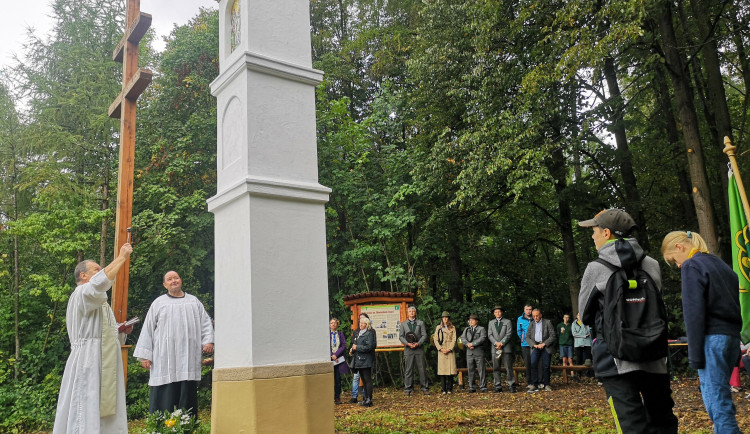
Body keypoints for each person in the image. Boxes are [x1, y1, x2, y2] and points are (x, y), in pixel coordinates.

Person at [579, 209, 678, 433]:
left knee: (631, 424)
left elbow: (584, 315)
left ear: (606, 233)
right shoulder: (652, 264)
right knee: (662, 420)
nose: (592, 236)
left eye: (594, 231)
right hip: (654, 355)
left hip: (615, 359)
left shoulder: (596, 268)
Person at [662, 230, 742, 433]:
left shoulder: (692, 265)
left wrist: (695, 355)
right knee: (721, 397)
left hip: (711, 339)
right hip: (731, 338)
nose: (677, 265)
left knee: (717, 403)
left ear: (679, 247)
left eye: (673, 260)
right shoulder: (721, 265)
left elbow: (693, 313)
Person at [53, 243, 134, 434]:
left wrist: (121, 330)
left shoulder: (96, 299)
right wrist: (121, 257)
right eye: (96, 270)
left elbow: (103, 331)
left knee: (103, 407)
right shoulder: (82, 292)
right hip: (89, 359)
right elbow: (100, 282)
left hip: (103, 357)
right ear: (83, 275)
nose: (101, 272)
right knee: (87, 403)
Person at [133, 270, 214, 416]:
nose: (173, 281)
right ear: (165, 285)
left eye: (176, 278)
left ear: (180, 280)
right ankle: (161, 428)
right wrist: (145, 356)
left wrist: (208, 340)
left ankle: (187, 427)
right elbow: (148, 329)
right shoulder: (158, 303)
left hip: (187, 358)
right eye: (169, 279)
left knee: (187, 397)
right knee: (165, 397)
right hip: (164, 359)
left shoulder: (193, 301)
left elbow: (205, 323)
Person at [398, 305, 429, 395]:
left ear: (415, 313)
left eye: (413, 311)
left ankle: (424, 387)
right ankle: (408, 388)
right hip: (408, 349)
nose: (412, 313)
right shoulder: (403, 324)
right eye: (410, 311)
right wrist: (407, 344)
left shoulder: (421, 323)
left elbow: (424, 335)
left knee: (422, 369)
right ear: (408, 313)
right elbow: (400, 336)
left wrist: (418, 343)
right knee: (408, 369)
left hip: (419, 349)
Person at [525, 309, 556, 392]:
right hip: (536, 346)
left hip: (545, 346)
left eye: (537, 315)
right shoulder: (531, 324)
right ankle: (534, 385)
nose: (535, 317)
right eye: (534, 316)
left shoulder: (547, 322)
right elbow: (527, 337)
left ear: (540, 315)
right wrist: (534, 345)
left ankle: (547, 384)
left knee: (546, 365)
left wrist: (544, 343)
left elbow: (553, 336)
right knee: (533, 363)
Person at [349, 317, 377, 407]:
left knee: (367, 380)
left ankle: (369, 399)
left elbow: (369, 347)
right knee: (363, 380)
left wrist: (357, 347)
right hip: (359, 360)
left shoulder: (368, 334)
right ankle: (365, 399)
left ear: (366, 325)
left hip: (366, 360)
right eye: (360, 323)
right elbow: (355, 345)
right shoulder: (358, 334)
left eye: (363, 323)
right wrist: (352, 349)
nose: (361, 324)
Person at [488, 306, 516, 393]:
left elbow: (509, 334)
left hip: (506, 348)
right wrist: (496, 343)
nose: (498, 313)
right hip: (495, 348)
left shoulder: (507, 322)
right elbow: (489, 335)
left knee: (508, 367)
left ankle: (511, 385)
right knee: (496, 368)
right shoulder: (491, 322)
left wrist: (502, 343)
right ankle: (498, 386)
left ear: (502, 312)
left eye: (499, 312)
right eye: (496, 312)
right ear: (494, 313)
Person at [461, 313, 488, 393]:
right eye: (470, 320)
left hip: (478, 351)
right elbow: (463, 338)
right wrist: (468, 344)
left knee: (481, 370)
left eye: (472, 320)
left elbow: (482, 338)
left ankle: (483, 386)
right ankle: (472, 387)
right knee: (470, 370)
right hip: (469, 352)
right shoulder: (466, 329)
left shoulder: (481, 329)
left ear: (476, 321)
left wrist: (473, 344)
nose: (471, 321)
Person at [432, 311, 457, 394]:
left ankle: (450, 389)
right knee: (442, 371)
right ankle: (443, 389)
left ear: (448, 319)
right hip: (442, 351)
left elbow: (454, 339)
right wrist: (440, 349)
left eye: (446, 317)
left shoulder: (452, 328)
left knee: (450, 371)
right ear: (442, 319)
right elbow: (435, 339)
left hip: (450, 351)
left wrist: (449, 349)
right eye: (443, 318)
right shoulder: (438, 327)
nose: (445, 319)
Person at [349, 313, 369, 403]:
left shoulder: (370, 332)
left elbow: (370, 345)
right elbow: (352, 343)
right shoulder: (356, 332)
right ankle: (354, 396)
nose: (361, 321)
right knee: (356, 377)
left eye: (363, 319)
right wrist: (351, 349)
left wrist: (358, 347)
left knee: (365, 378)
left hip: (366, 358)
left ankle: (365, 396)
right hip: (357, 358)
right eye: (360, 319)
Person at [330, 318, 349, 404]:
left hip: (338, 360)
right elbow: (324, 345)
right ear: (329, 325)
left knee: (337, 379)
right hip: (329, 360)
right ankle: (328, 397)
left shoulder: (340, 334)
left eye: (335, 323)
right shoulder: (327, 334)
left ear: (337, 324)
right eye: (331, 323)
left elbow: (344, 345)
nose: (333, 324)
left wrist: (336, 355)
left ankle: (337, 397)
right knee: (329, 379)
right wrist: (331, 355)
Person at [516, 304, 534, 390]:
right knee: (528, 363)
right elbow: (519, 332)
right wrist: (524, 339)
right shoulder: (520, 319)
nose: (528, 311)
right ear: (524, 310)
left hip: (535, 344)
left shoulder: (535, 317)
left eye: (530, 309)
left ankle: (537, 381)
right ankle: (530, 382)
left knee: (535, 363)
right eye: (527, 309)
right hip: (525, 344)